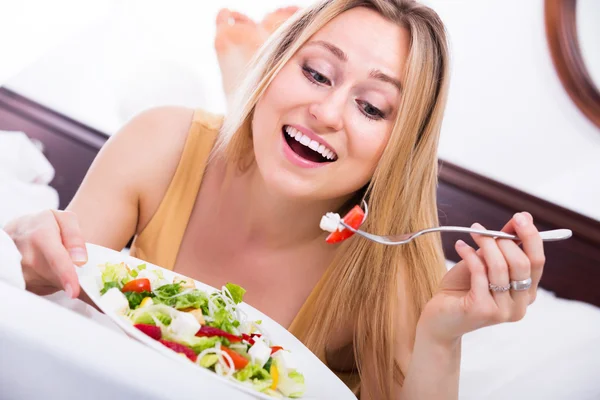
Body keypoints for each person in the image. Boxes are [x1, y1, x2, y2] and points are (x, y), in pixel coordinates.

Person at [4, 1, 546, 399]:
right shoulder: (161, 143)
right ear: (275, 64)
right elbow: (51, 278)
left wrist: (442, 337)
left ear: (400, 146)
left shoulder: (396, 265)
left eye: (373, 107)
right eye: (315, 73)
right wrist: (25, 250)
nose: (328, 113)